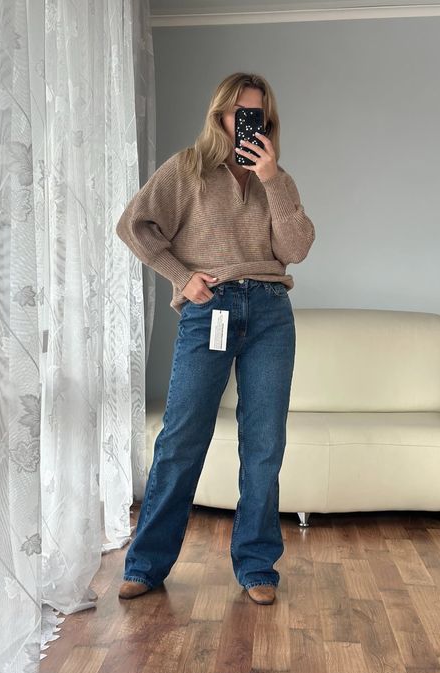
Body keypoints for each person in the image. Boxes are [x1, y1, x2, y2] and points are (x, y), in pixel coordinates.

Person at [115, 72, 315, 605]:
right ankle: (146, 565)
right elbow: (135, 224)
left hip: (270, 313)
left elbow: (296, 248)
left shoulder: (278, 179)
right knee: (182, 439)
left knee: (265, 443)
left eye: (257, 114)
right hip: (212, 311)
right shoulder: (188, 168)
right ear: (219, 115)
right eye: (237, 112)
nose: (246, 122)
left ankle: (257, 566)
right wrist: (182, 277)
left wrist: (272, 179)